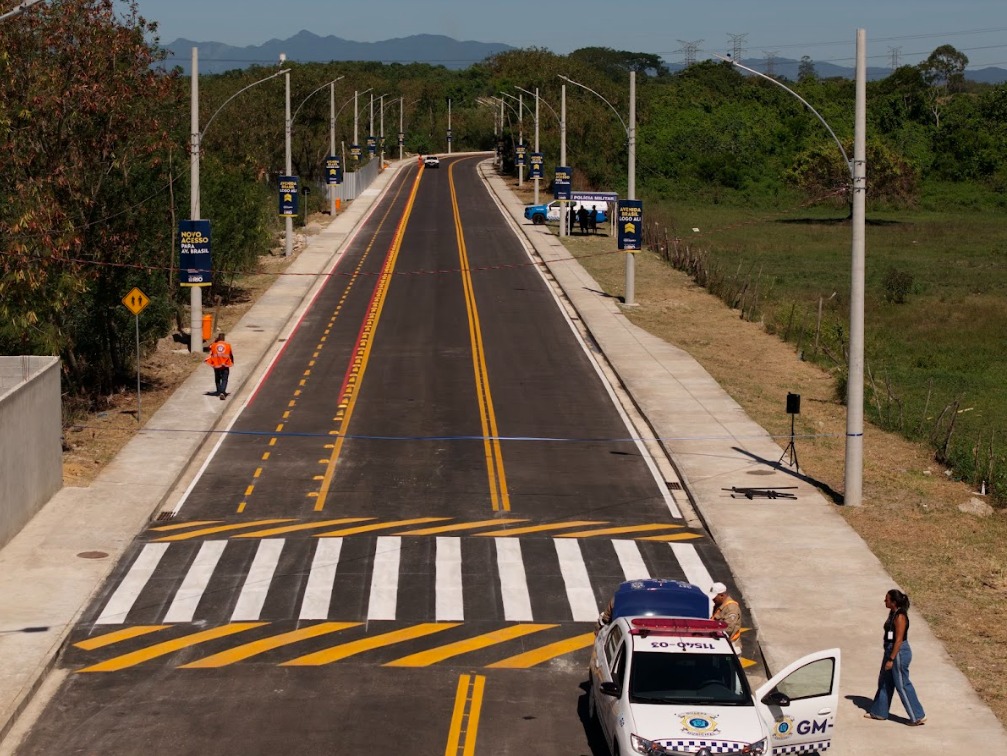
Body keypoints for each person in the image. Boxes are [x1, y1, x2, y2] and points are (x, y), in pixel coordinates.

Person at [866, 589, 926, 725]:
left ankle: (917, 716)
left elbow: (898, 640)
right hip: (890, 649)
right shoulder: (892, 613)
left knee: (902, 684)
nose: (884, 601)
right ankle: (879, 712)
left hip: (898, 653)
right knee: (885, 681)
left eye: (887, 599)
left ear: (894, 602)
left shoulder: (900, 617)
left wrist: (891, 659)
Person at [710, 582, 743, 654]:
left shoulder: (731, 608)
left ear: (722, 595)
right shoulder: (719, 604)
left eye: (715, 598)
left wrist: (710, 631)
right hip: (722, 643)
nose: (713, 600)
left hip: (731, 647)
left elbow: (728, 629)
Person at [205, 332, 234, 400]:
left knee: (217, 379)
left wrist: (215, 341)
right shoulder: (227, 345)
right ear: (224, 338)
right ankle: (222, 392)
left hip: (217, 365)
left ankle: (219, 391)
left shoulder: (214, 345)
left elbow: (208, 348)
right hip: (225, 365)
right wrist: (232, 361)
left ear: (218, 338)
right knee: (224, 379)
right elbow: (231, 355)